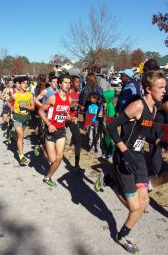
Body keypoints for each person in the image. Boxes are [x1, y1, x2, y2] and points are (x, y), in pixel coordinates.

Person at [95, 70, 167, 254]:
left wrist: (160, 142)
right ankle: (110, 179)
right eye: (161, 87)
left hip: (138, 160)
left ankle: (122, 235)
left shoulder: (153, 109)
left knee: (143, 203)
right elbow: (110, 126)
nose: (164, 91)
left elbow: (145, 135)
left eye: (165, 87)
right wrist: (125, 152)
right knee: (135, 207)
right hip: (124, 158)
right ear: (148, 89)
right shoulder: (138, 106)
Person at [38, 74, 76, 187]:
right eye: (65, 82)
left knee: (59, 157)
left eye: (69, 83)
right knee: (52, 159)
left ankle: (47, 177)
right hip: (50, 130)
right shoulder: (53, 98)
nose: (68, 85)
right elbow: (40, 111)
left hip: (60, 130)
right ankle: (41, 146)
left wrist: (71, 118)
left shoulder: (69, 99)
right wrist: (49, 124)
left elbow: (65, 113)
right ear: (60, 84)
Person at [7, 76, 35, 165]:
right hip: (17, 117)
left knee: (19, 136)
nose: (26, 85)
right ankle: (21, 156)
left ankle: (12, 133)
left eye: (27, 83)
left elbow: (33, 107)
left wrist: (26, 106)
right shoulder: (15, 95)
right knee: (21, 135)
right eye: (24, 83)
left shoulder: (30, 95)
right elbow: (8, 101)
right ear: (19, 85)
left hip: (25, 118)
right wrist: (11, 107)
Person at [66, 75, 83, 172]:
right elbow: (66, 105)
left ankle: (77, 165)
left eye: (79, 82)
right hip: (64, 119)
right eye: (77, 82)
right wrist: (73, 106)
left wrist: (80, 106)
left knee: (78, 140)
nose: (78, 84)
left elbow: (75, 105)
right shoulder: (68, 93)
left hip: (72, 119)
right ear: (72, 83)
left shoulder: (77, 93)